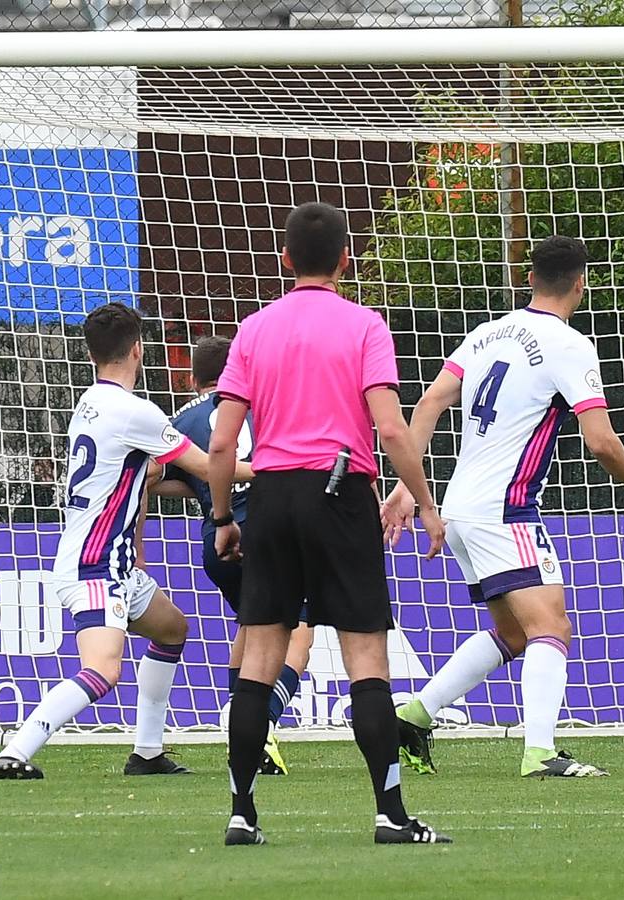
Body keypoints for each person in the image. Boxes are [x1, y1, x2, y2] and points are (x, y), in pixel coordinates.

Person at [207, 201, 450, 846]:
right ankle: (389, 814)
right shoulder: (365, 325)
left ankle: (241, 814)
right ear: (347, 259)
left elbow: (225, 444)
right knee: (365, 655)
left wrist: (225, 516)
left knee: (259, 655)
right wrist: (424, 503)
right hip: (342, 491)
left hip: (273, 496)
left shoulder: (253, 330)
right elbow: (392, 428)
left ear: (284, 260)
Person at [382, 235, 624, 779]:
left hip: (460, 508)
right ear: (582, 284)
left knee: (514, 634)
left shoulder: (487, 334)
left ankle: (414, 717)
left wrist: (410, 488)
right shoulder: (569, 344)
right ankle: (540, 752)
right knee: (551, 627)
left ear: (529, 278)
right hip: (504, 512)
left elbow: (430, 401)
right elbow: (600, 440)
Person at [0, 302, 254, 781]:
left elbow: (142, 473)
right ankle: (15, 752)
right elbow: (211, 467)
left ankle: (146, 753)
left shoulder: (91, 402)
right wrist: (286, 470)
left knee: (172, 630)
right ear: (138, 350)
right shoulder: (134, 411)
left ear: (90, 353)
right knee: (103, 670)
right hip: (94, 563)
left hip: (115, 563)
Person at [151, 335, 314, 776]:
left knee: (252, 626)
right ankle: (255, 722)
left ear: (191, 379)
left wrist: (203, 487)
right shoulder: (263, 404)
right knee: (298, 633)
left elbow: (154, 476)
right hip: (270, 530)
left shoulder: (179, 420)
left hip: (218, 539)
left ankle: (239, 722)